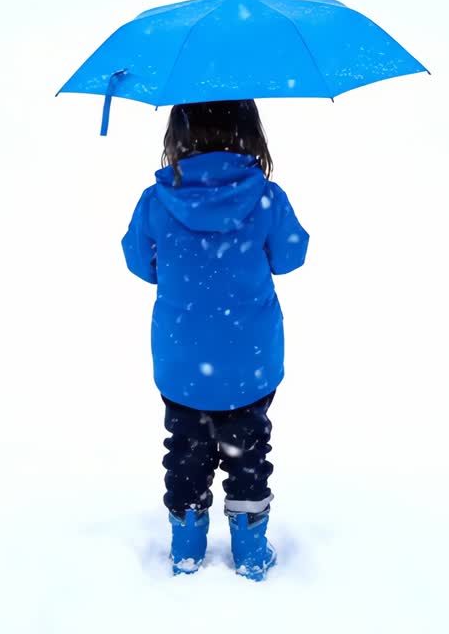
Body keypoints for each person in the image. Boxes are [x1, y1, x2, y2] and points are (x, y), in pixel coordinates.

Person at [121, 99, 309, 581]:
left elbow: (139, 261)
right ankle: (249, 550)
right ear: (250, 133)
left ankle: (187, 546)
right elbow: (290, 255)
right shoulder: (265, 198)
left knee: (185, 448)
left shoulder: (156, 201)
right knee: (248, 452)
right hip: (251, 361)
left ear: (177, 136)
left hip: (183, 362)